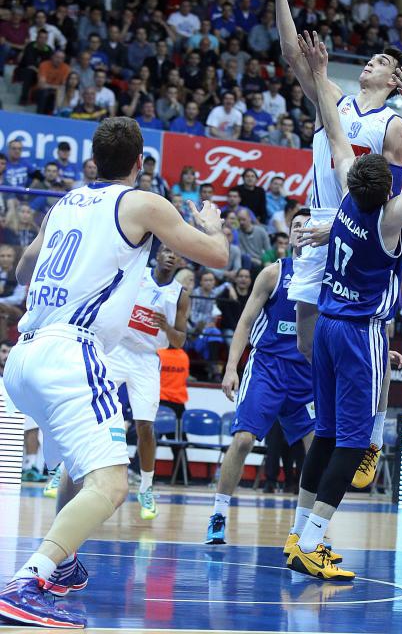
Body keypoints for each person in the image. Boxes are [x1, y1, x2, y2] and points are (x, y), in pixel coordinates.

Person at [0, 117, 228, 627]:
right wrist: (211, 223)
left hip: (23, 354)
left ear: (93, 161)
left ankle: (59, 566)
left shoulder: (65, 203)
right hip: (71, 352)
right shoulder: (142, 202)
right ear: (139, 162)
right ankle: (28, 581)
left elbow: (21, 271)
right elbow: (217, 255)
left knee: (79, 471)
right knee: (112, 485)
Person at [284, 31, 402, 580]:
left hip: (327, 326)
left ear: (352, 177)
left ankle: (295, 536)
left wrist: (322, 68)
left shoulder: (340, 201)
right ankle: (311, 542)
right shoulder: (389, 221)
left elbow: (334, 131)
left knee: (325, 435)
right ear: (391, 184)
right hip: (360, 333)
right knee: (353, 446)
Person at [245, 0, 402, 489]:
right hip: (317, 225)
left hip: (361, 232)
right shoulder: (333, 104)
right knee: (308, 343)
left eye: (382, 60)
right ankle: (342, 426)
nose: (372, 61)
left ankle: (370, 434)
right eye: (371, 56)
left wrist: (340, 228)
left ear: (394, 81)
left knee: (366, 335)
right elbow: (294, 54)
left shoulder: (394, 125)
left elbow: (388, 198)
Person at [205, 209, 317, 545]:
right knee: (242, 441)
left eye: (307, 226)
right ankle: (219, 515)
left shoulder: (327, 277)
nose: (300, 230)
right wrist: (230, 368)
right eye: (296, 226)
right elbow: (244, 322)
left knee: (318, 453)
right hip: (268, 367)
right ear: (288, 235)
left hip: (306, 374)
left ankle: (303, 531)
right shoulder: (273, 273)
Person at [105, 245, 189, 520]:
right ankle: (61, 469)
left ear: (180, 261)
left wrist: (166, 328)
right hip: (118, 349)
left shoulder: (180, 295)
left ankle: (146, 487)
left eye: (174, 253)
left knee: (145, 427)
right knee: (86, 402)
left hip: (146, 360)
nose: (170, 254)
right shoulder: (136, 274)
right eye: (166, 250)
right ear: (157, 255)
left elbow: (179, 342)